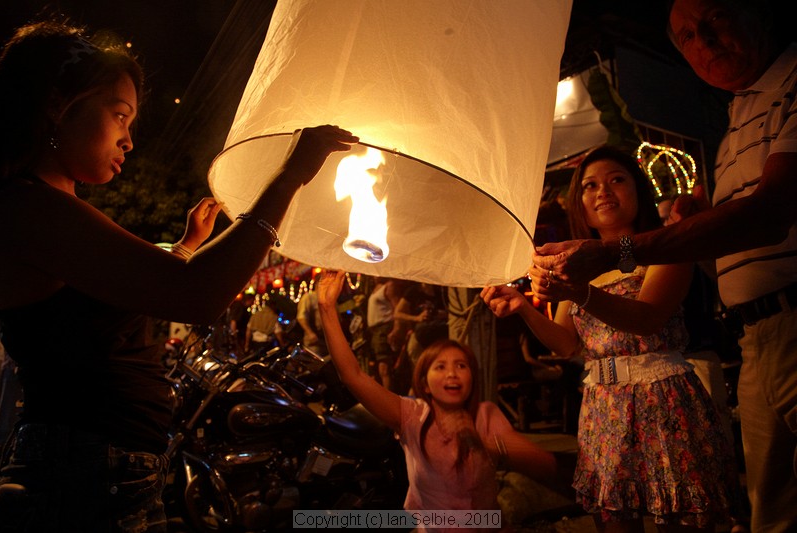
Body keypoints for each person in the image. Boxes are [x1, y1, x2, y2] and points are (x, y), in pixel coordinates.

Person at [0, 18, 357, 532]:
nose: (129, 140)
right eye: (119, 115)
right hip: (82, 472)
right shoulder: (30, 208)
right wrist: (290, 176)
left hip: (104, 466)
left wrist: (188, 247)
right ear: (58, 105)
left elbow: (127, 290)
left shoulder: (46, 208)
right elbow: (194, 295)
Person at [533, 2, 797, 530]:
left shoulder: (789, 87)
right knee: (772, 506)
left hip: (774, 333)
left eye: (718, 18)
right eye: (687, 36)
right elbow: (567, 344)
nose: (705, 42)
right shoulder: (738, 115)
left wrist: (606, 263)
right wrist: (522, 304)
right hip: (740, 343)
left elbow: (769, 213)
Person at [482, 146, 737, 530]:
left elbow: (647, 318)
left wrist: (577, 291)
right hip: (604, 408)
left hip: (664, 400)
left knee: (677, 515)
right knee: (614, 519)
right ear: (579, 203)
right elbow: (567, 343)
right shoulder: (578, 265)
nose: (603, 191)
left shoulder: (664, 248)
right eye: (590, 185)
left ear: (637, 190)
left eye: (616, 179)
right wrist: (522, 306)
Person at [317, 270, 556, 532]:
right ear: (425, 383)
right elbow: (354, 376)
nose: (452, 373)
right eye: (440, 367)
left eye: (461, 365)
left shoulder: (485, 415)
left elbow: (547, 466)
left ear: (472, 377)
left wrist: (492, 445)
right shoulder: (411, 415)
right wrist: (327, 308)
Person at [366, 277, 405, 391]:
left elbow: (397, 308)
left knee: (384, 366)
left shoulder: (389, 286)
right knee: (377, 366)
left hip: (384, 328)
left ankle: (389, 397)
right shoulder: (375, 288)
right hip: (374, 331)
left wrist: (396, 329)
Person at [296, 285, 327, 356]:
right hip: (315, 343)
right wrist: (310, 333)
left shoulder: (329, 298)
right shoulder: (309, 297)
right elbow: (301, 317)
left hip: (328, 341)